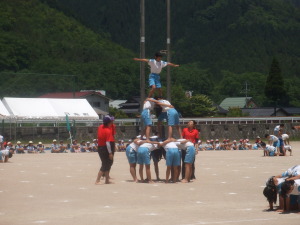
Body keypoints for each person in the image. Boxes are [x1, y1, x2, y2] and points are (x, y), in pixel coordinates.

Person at [95, 115, 115, 185]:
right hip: (105, 148)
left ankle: (107, 180)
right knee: (105, 164)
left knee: (108, 163)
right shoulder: (108, 130)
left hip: (100, 147)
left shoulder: (100, 127)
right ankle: (97, 180)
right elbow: (108, 143)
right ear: (109, 123)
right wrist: (110, 153)